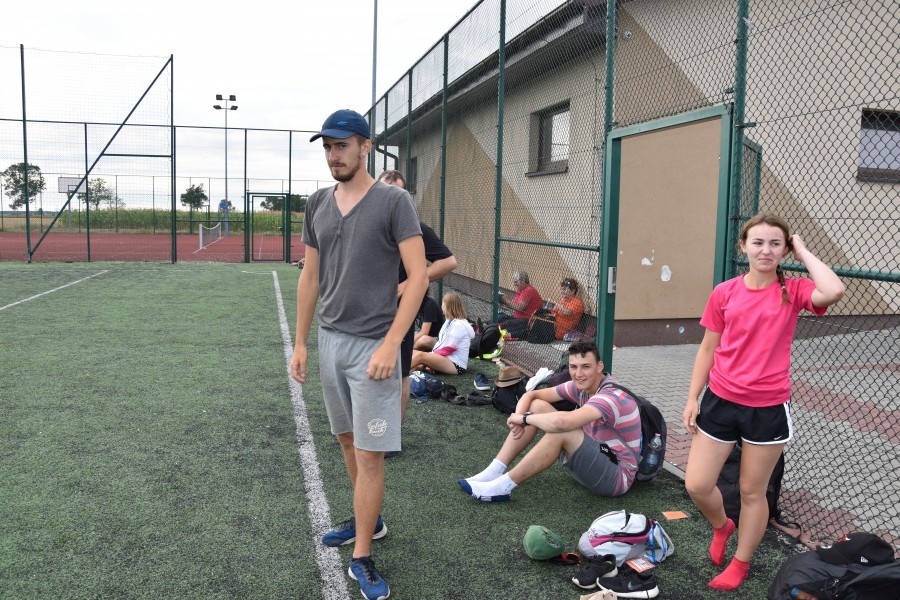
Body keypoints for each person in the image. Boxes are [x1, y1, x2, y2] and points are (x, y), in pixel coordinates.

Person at [290, 109, 429, 600]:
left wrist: (392, 343)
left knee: (371, 454)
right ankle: (369, 519)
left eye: (342, 145)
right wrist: (301, 341)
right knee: (348, 442)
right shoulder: (317, 203)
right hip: (330, 342)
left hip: (374, 349)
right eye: (328, 147)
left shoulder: (394, 201)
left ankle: (362, 556)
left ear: (365, 146)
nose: (334, 155)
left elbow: (419, 276)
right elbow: (310, 277)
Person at [682, 212, 845, 591]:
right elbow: (708, 348)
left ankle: (741, 562)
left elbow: (834, 290)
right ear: (744, 246)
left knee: (752, 492)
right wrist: (692, 397)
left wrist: (802, 250)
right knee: (697, 484)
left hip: (768, 408)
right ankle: (723, 527)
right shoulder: (725, 292)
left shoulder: (794, 291)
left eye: (775, 243)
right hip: (720, 400)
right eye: (758, 242)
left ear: (785, 249)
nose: (766, 250)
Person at [457, 339, 641, 501]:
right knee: (536, 405)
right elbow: (531, 395)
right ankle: (494, 471)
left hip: (617, 477)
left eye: (586, 366)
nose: (579, 373)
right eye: (573, 367)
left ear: (599, 367)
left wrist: (524, 419)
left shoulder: (610, 397)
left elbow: (562, 423)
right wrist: (519, 419)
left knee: (560, 430)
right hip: (596, 460)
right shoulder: (583, 386)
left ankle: (502, 487)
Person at [378, 169, 457, 425]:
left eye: (398, 192)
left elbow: (448, 262)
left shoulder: (417, 229)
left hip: (398, 315)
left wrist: (409, 283)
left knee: (398, 374)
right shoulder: (364, 224)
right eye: (385, 190)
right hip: (364, 314)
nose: (391, 197)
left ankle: (392, 433)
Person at [410, 292, 475, 375]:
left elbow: (449, 348)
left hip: (456, 364)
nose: (442, 306)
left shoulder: (459, 325)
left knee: (420, 356)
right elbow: (441, 343)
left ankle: (399, 373)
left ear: (448, 306)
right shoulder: (449, 321)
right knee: (412, 353)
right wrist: (431, 357)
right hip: (447, 359)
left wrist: (431, 356)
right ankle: (410, 373)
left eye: (443, 304)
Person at [497, 270, 544, 339]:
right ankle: (485, 326)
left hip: (528, 320)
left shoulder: (529, 290)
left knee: (505, 325)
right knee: (501, 318)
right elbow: (514, 305)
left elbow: (520, 308)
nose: (514, 284)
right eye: (514, 282)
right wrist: (504, 301)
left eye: (516, 282)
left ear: (523, 280)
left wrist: (506, 300)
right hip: (519, 318)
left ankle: (490, 329)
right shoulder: (520, 290)